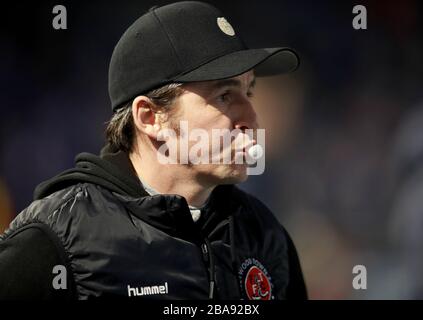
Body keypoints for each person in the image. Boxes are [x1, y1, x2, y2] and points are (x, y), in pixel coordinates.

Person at [0, 1, 306, 300]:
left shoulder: (264, 235)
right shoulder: (53, 241)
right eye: (224, 95)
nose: (252, 118)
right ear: (150, 117)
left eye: (248, 91)